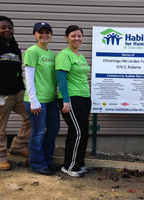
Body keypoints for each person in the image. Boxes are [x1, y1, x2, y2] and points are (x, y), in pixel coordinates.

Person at [0, 16, 31, 171]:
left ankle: (18, 145)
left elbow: (17, 72)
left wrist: (22, 89)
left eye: (10, 27)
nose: (7, 30)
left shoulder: (15, 47)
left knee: (33, 116)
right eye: (3, 27)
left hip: (17, 93)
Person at [23, 22, 60, 175]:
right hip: (37, 100)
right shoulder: (32, 51)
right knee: (38, 132)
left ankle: (47, 160)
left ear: (51, 35)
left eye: (47, 32)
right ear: (35, 35)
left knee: (53, 129)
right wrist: (34, 100)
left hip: (51, 99)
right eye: (40, 32)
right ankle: (37, 164)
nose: (44, 35)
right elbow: (29, 78)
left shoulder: (51, 54)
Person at [56, 25, 91, 178]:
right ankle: (70, 166)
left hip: (84, 98)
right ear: (67, 38)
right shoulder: (65, 55)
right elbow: (61, 78)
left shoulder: (80, 55)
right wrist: (66, 100)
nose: (77, 39)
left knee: (80, 132)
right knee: (78, 132)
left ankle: (78, 163)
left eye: (79, 36)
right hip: (72, 99)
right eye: (73, 36)